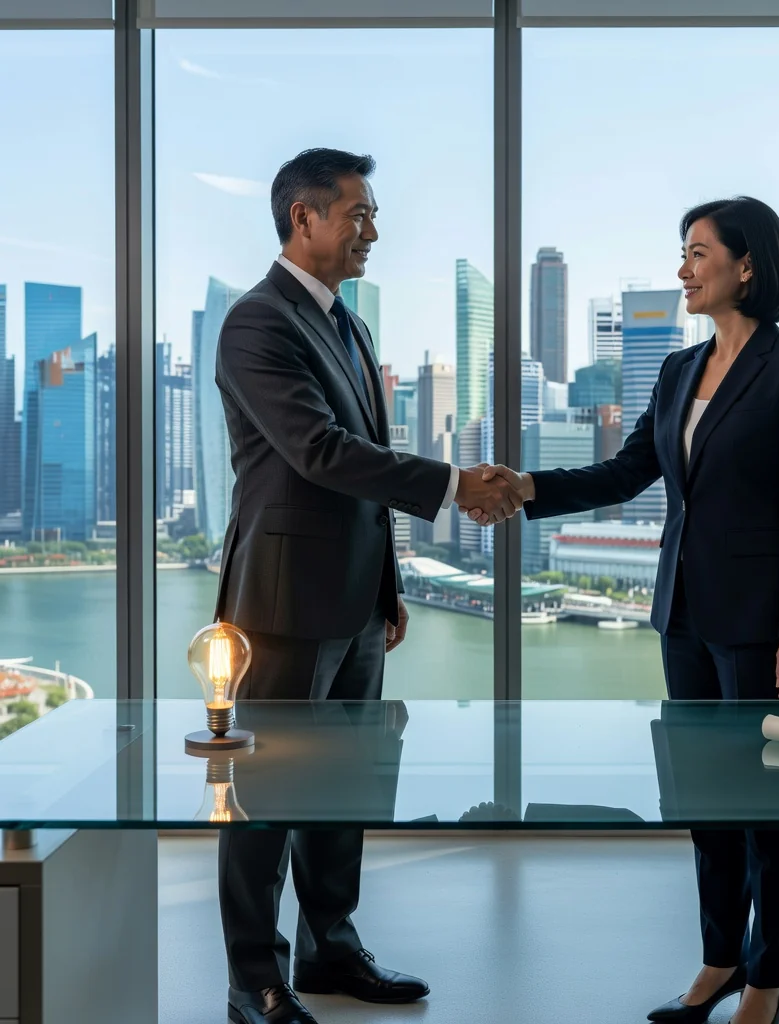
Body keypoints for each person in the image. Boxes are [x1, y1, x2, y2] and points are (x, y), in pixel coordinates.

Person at [465, 196, 779, 1024]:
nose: (683, 270)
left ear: (748, 265)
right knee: (703, 801)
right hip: (683, 614)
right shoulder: (677, 371)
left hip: (759, 619)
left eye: (698, 253)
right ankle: (717, 962)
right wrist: (527, 488)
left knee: (768, 808)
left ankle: (770, 982)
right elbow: (628, 470)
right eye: (683, 253)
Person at [214, 147, 520, 1024]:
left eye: (373, 215)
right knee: (266, 793)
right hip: (280, 603)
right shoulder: (256, 322)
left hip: (352, 600)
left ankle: (330, 949)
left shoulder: (348, 324)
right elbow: (317, 452)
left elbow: (361, 484)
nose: (373, 231)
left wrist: (388, 590)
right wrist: (455, 485)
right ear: (302, 218)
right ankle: (252, 980)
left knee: (349, 784)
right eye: (358, 214)